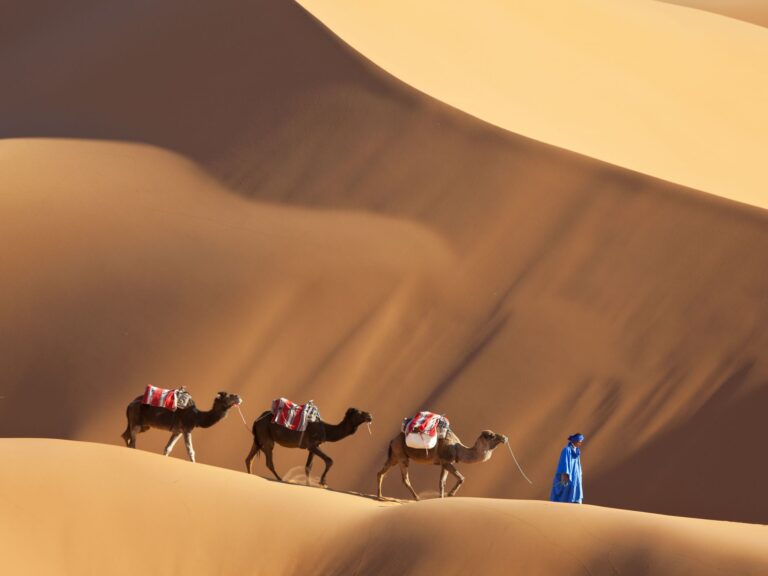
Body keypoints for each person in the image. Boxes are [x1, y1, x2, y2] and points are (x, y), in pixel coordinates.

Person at [550, 433, 584, 503]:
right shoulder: (566, 450)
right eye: (579, 441)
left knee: (575, 489)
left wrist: (579, 474)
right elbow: (564, 463)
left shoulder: (577, 452)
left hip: (576, 476)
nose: (580, 443)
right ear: (575, 441)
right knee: (565, 493)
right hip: (567, 476)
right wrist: (565, 474)